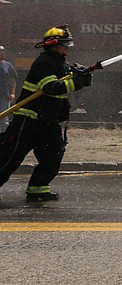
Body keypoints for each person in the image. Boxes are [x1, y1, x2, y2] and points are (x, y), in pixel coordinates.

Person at [0, 25, 93, 202]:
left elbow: (65, 83)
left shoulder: (61, 64)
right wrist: (78, 83)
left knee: (53, 155)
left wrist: (80, 75)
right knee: (9, 158)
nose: (68, 48)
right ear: (53, 45)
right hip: (27, 121)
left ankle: (38, 190)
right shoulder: (44, 63)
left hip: (47, 123)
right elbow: (51, 88)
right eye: (64, 44)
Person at [0, 45, 18, 133]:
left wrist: (12, 93)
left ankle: (3, 136)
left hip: (4, 95)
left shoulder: (8, 66)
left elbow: (13, 81)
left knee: (4, 118)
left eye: (3, 52)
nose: (2, 54)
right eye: (1, 52)